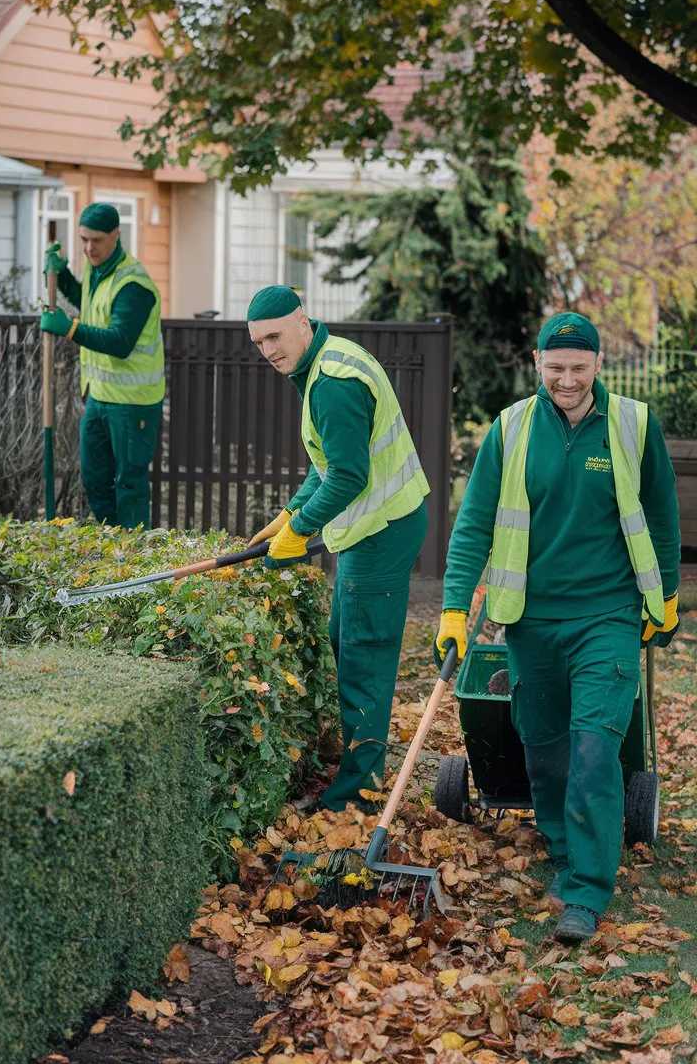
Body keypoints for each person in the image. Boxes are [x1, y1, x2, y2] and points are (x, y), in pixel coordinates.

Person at [435, 312, 681, 943]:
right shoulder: (511, 428)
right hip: (531, 618)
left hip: (608, 614)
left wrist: (668, 597)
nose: (567, 380)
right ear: (538, 364)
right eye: (556, 367)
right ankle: (564, 847)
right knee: (545, 751)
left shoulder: (633, 424)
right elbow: (473, 525)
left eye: (578, 367)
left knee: (596, 747)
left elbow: (661, 517)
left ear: (598, 365)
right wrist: (456, 609)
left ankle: (587, 891)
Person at [247, 285, 430, 812]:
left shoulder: (332, 383)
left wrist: (300, 530)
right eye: (259, 343)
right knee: (343, 640)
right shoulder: (325, 361)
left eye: (276, 336)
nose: (269, 351)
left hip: (382, 530)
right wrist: (289, 512)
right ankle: (352, 764)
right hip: (375, 526)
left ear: (303, 321)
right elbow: (329, 461)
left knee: (363, 660)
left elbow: (349, 476)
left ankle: (358, 796)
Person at [40, 203, 165, 530]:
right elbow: (88, 303)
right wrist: (61, 275)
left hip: (133, 402)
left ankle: (137, 560)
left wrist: (69, 329)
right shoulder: (99, 272)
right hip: (99, 396)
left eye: (96, 240)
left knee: (129, 483)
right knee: (95, 479)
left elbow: (120, 341)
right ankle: (115, 544)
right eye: (83, 240)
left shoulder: (133, 285)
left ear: (115, 236)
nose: (88, 248)